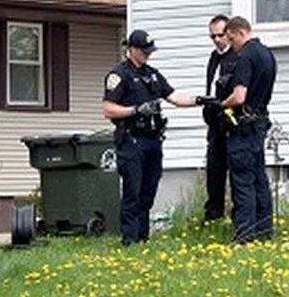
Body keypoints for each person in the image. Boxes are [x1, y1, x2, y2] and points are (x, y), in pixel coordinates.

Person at [102, 29, 210, 245]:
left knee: (148, 189)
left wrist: (200, 99)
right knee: (133, 190)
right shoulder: (119, 75)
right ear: (131, 49)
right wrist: (136, 110)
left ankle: (143, 238)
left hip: (153, 139)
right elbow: (108, 109)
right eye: (144, 51)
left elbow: (173, 96)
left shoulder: (152, 74)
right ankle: (130, 240)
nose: (148, 55)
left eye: (150, 51)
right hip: (132, 139)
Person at [220, 16, 277, 243]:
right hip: (261, 121)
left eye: (231, 39)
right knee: (259, 180)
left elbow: (239, 96)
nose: (231, 44)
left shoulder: (245, 56)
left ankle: (244, 236)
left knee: (242, 181)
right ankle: (264, 232)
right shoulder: (267, 54)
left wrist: (222, 103)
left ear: (240, 33)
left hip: (243, 127)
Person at [202, 14, 237, 222]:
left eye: (220, 35)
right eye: (212, 36)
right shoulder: (214, 57)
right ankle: (213, 214)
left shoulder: (238, 56)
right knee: (214, 171)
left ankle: (237, 216)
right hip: (214, 122)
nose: (216, 40)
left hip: (231, 122)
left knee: (235, 171)